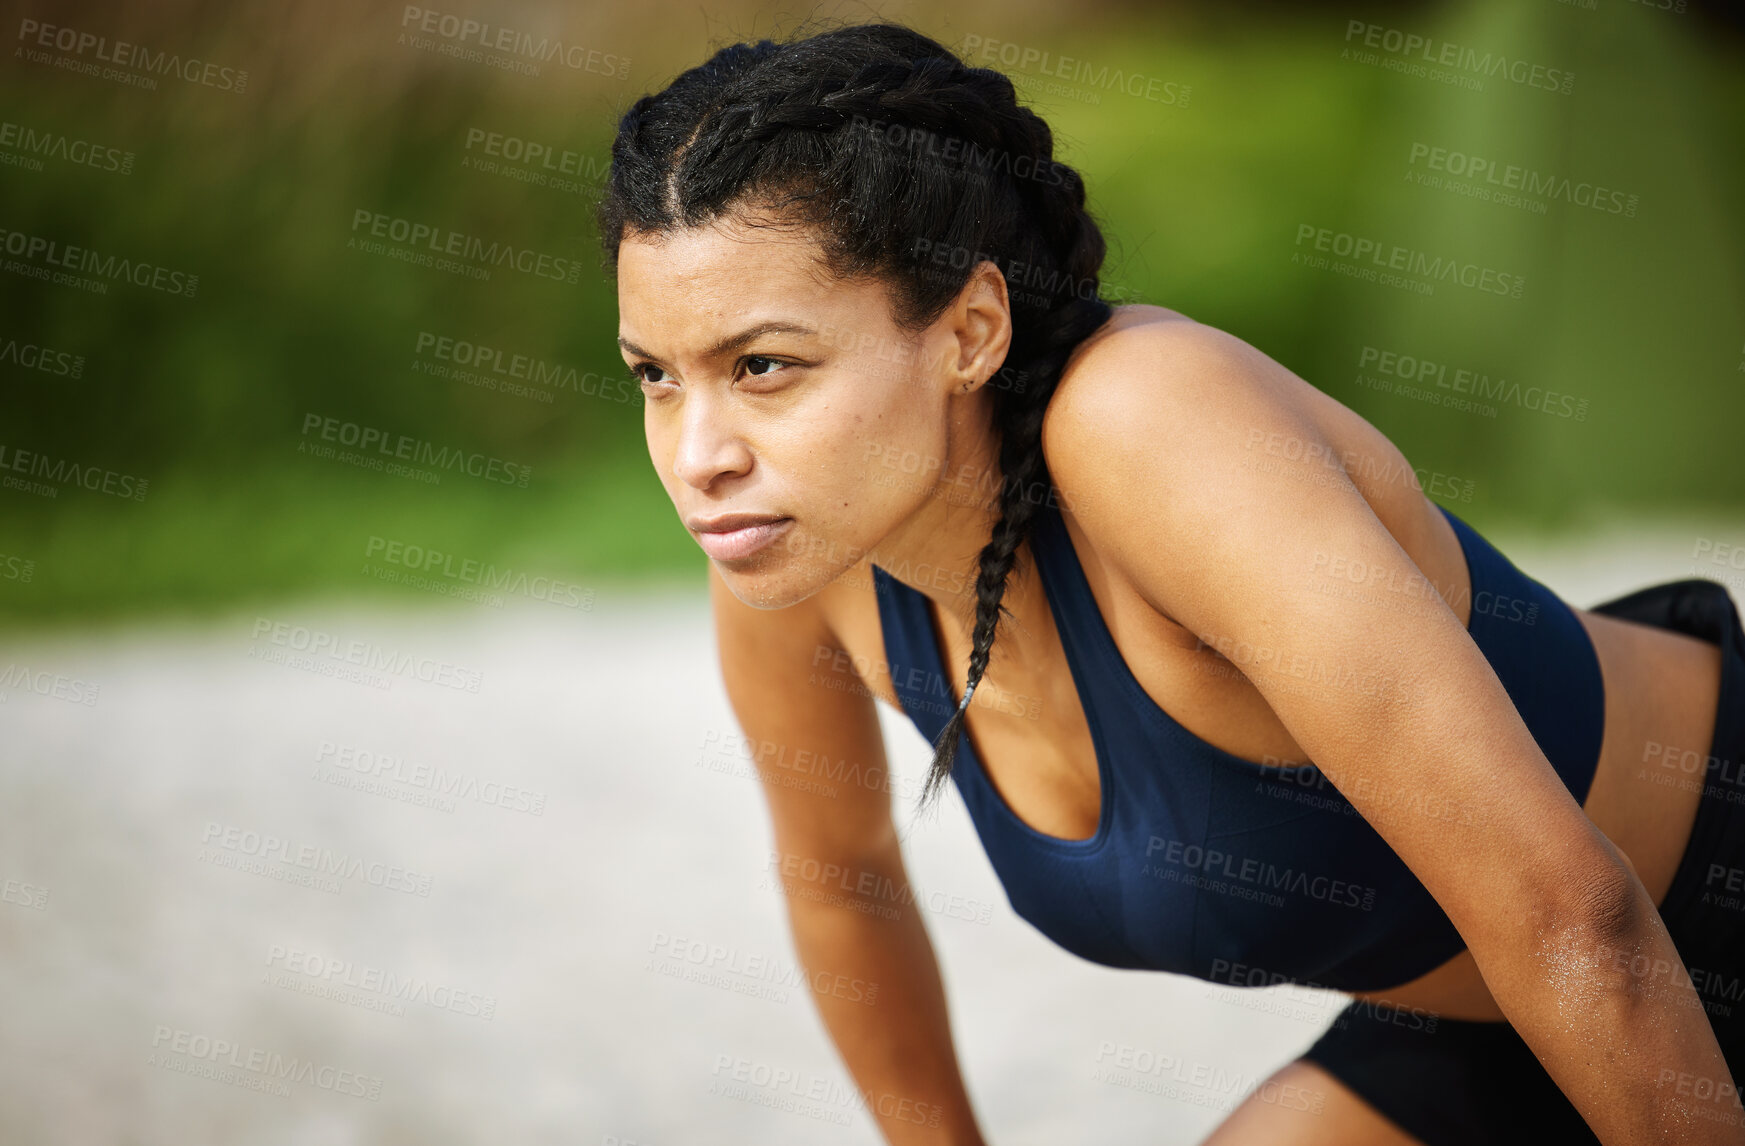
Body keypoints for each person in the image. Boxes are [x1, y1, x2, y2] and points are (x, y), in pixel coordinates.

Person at [595, 21, 1745, 1146]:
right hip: (1493, 1022)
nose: (699, 458)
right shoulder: (791, 553)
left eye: (762, 367)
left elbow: (1572, 914)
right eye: (655, 375)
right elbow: (842, 882)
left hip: (1642, 933)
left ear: (969, 331)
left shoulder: (1146, 425)